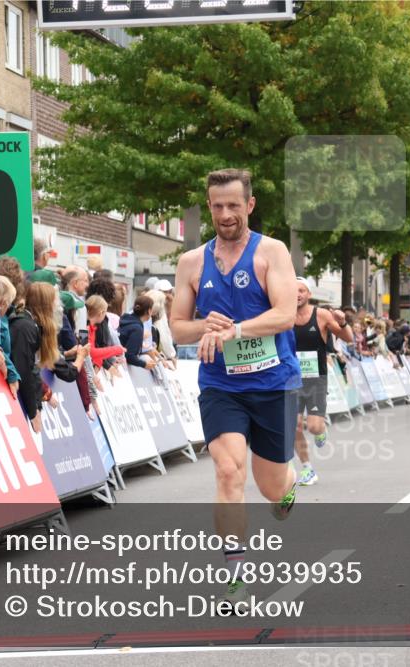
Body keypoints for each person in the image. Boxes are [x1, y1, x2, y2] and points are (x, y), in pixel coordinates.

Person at [169, 168, 301, 611]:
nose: (225, 214)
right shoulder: (191, 262)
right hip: (221, 385)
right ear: (209, 206)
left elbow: (284, 314)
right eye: (216, 205)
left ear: (249, 205)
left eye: (233, 205)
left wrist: (236, 331)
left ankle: (289, 484)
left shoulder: (272, 252)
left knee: (272, 488)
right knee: (228, 473)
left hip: (273, 381)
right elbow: (177, 329)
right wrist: (203, 325)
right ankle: (235, 579)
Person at [293, 277, 353, 486]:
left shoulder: (322, 315)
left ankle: (321, 430)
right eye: (294, 290)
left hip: (316, 379)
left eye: (301, 290)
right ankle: (307, 469)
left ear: (309, 294)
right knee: (294, 425)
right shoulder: (282, 316)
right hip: (290, 379)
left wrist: (343, 321)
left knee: (314, 426)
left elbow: (349, 339)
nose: (297, 294)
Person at [9, 282, 61, 433]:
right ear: (45, 304)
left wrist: (42, 397)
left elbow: (31, 367)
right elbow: (24, 370)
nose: (56, 306)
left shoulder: (31, 324)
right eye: (54, 301)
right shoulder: (25, 327)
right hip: (17, 395)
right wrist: (34, 411)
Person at [118, 293, 160, 369]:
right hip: (121, 365)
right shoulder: (137, 328)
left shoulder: (125, 319)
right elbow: (130, 356)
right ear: (149, 311)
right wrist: (144, 364)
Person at [60, 266, 90, 333]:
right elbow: (81, 335)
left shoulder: (56, 299)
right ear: (75, 283)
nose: (87, 284)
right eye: (85, 280)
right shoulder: (80, 306)